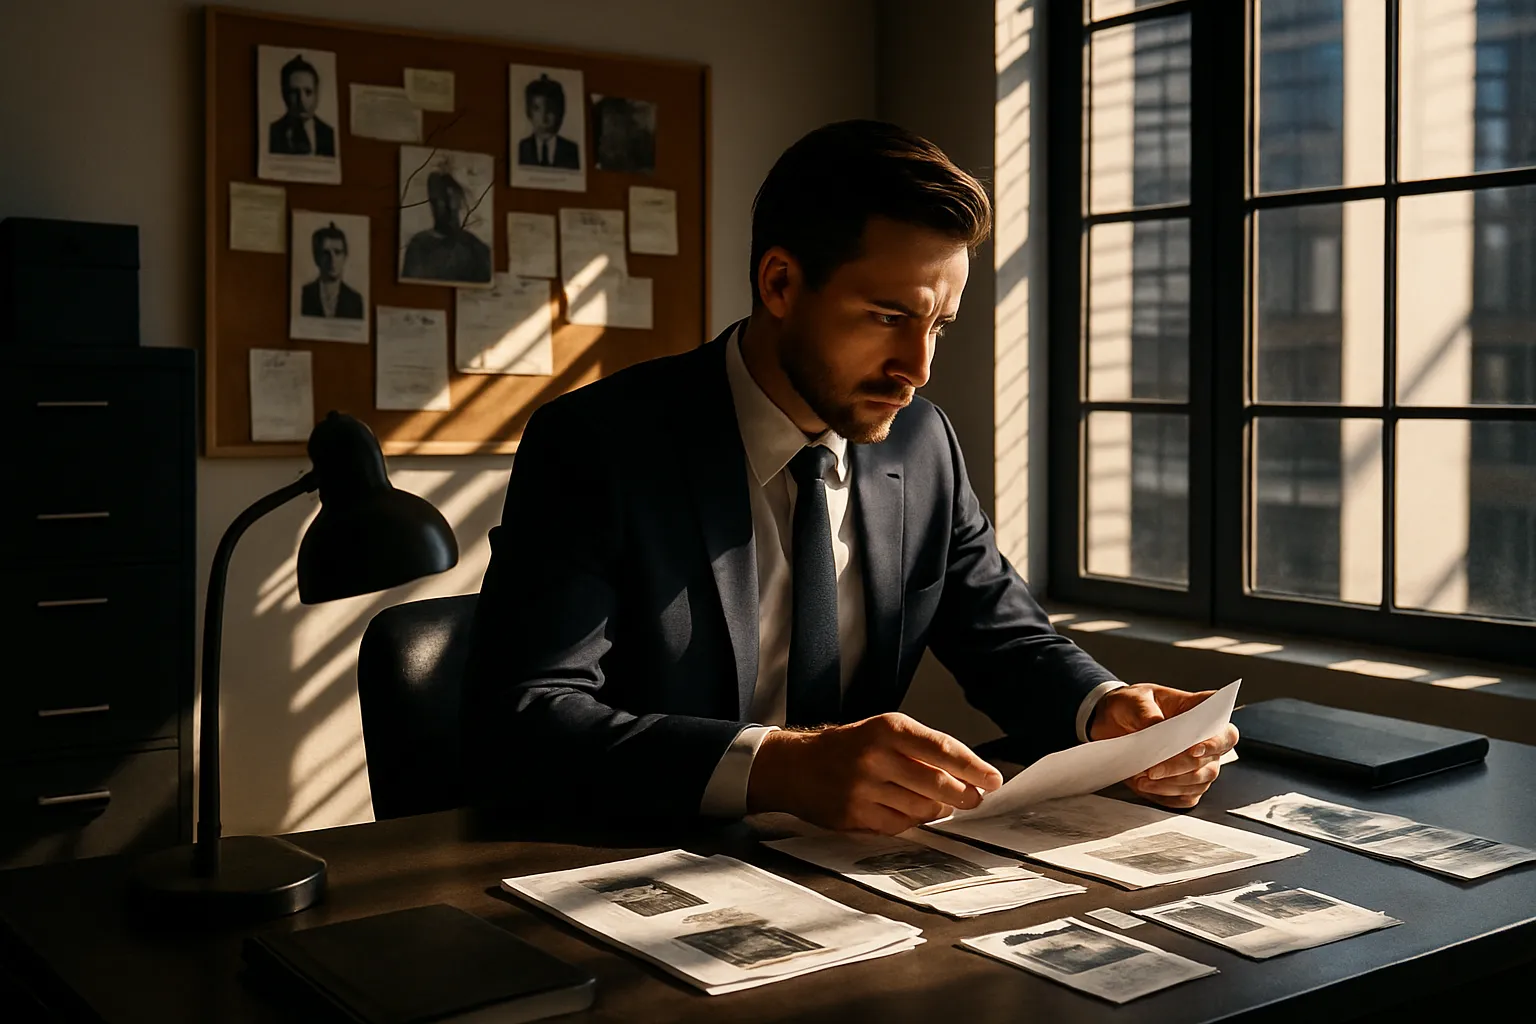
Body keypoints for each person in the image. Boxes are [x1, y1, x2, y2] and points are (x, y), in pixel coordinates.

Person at [464, 120, 1238, 833]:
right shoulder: (600, 443)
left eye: (939, 326)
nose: (919, 368)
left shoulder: (921, 444)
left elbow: (1004, 638)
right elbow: (526, 718)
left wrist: (1105, 711)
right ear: (779, 284)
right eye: (889, 316)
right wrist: (776, 767)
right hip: (636, 861)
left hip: (853, 877)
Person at [401, 170, 493, 284]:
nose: (448, 207)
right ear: (432, 203)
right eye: (440, 201)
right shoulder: (419, 246)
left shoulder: (476, 249)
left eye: (452, 200)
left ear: (459, 202)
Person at [268, 54, 335, 157]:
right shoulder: (271, 133)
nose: (302, 100)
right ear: (284, 94)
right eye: (294, 92)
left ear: (317, 94)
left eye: (308, 92)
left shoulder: (330, 135)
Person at [516, 74, 581, 169]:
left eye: (550, 108)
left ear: (560, 111)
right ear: (528, 112)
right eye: (537, 108)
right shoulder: (521, 149)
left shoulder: (572, 150)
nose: (544, 115)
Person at [299, 222, 362, 319]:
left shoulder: (355, 300)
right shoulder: (304, 295)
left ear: (345, 256)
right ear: (316, 257)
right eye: (326, 253)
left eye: (337, 252)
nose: (332, 260)